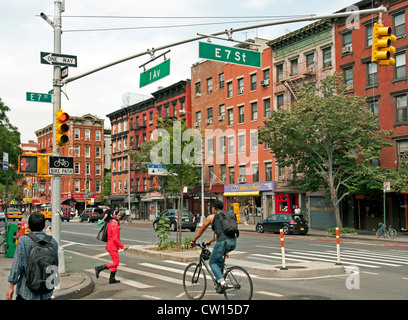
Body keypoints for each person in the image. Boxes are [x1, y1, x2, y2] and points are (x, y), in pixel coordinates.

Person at [6, 213, 58, 300]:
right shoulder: (52, 242)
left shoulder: (23, 240)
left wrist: (11, 286)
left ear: (29, 225)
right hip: (46, 291)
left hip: (27, 291)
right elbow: (55, 265)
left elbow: (17, 265)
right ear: (44, 225)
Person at [190, 199, 237, 293]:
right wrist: (209, 241)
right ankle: (220, 282)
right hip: (233, 242)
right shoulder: (226, 216)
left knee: (212, 262)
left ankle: (222, 283)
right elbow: (221, 234)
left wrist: (193, 241)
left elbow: (201, 231)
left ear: (214, 208)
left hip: (222, 243)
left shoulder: (212, 217)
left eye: (212, 207)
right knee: (218, 260)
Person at [95, 210, 128, 284]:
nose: (120, 216)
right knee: (116, 263)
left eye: (120, 215)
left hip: (111, 246)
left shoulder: (112, 223)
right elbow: (115, 239)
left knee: (115, 262)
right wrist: (123, 246)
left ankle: (112, 279)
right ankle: (99, 268)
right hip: (112, 246)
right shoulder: (114, 225)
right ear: (114, 216)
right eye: (118, 215)